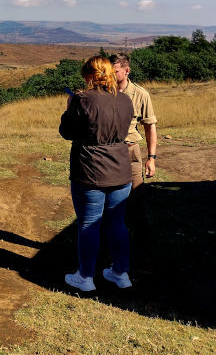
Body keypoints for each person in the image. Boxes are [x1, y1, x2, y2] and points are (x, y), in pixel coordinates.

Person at [59, 56, 134, 291]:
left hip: (90, 171)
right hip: (121, 170)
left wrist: (70, 107)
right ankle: (121, 273)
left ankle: (85, 277)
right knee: (117, 224)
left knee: (89, 223)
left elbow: (67, 131)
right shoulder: (124, 100)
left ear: (90, 76)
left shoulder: (83, 100)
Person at [109, 53, 157, 189]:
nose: (111, 76)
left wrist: (151, 158)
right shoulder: (102, 93)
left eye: (115, 72)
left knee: (136, 194)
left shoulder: (141, 94)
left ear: (127, 71)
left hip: (130, 150)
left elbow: (150, 127)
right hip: (107, 152)